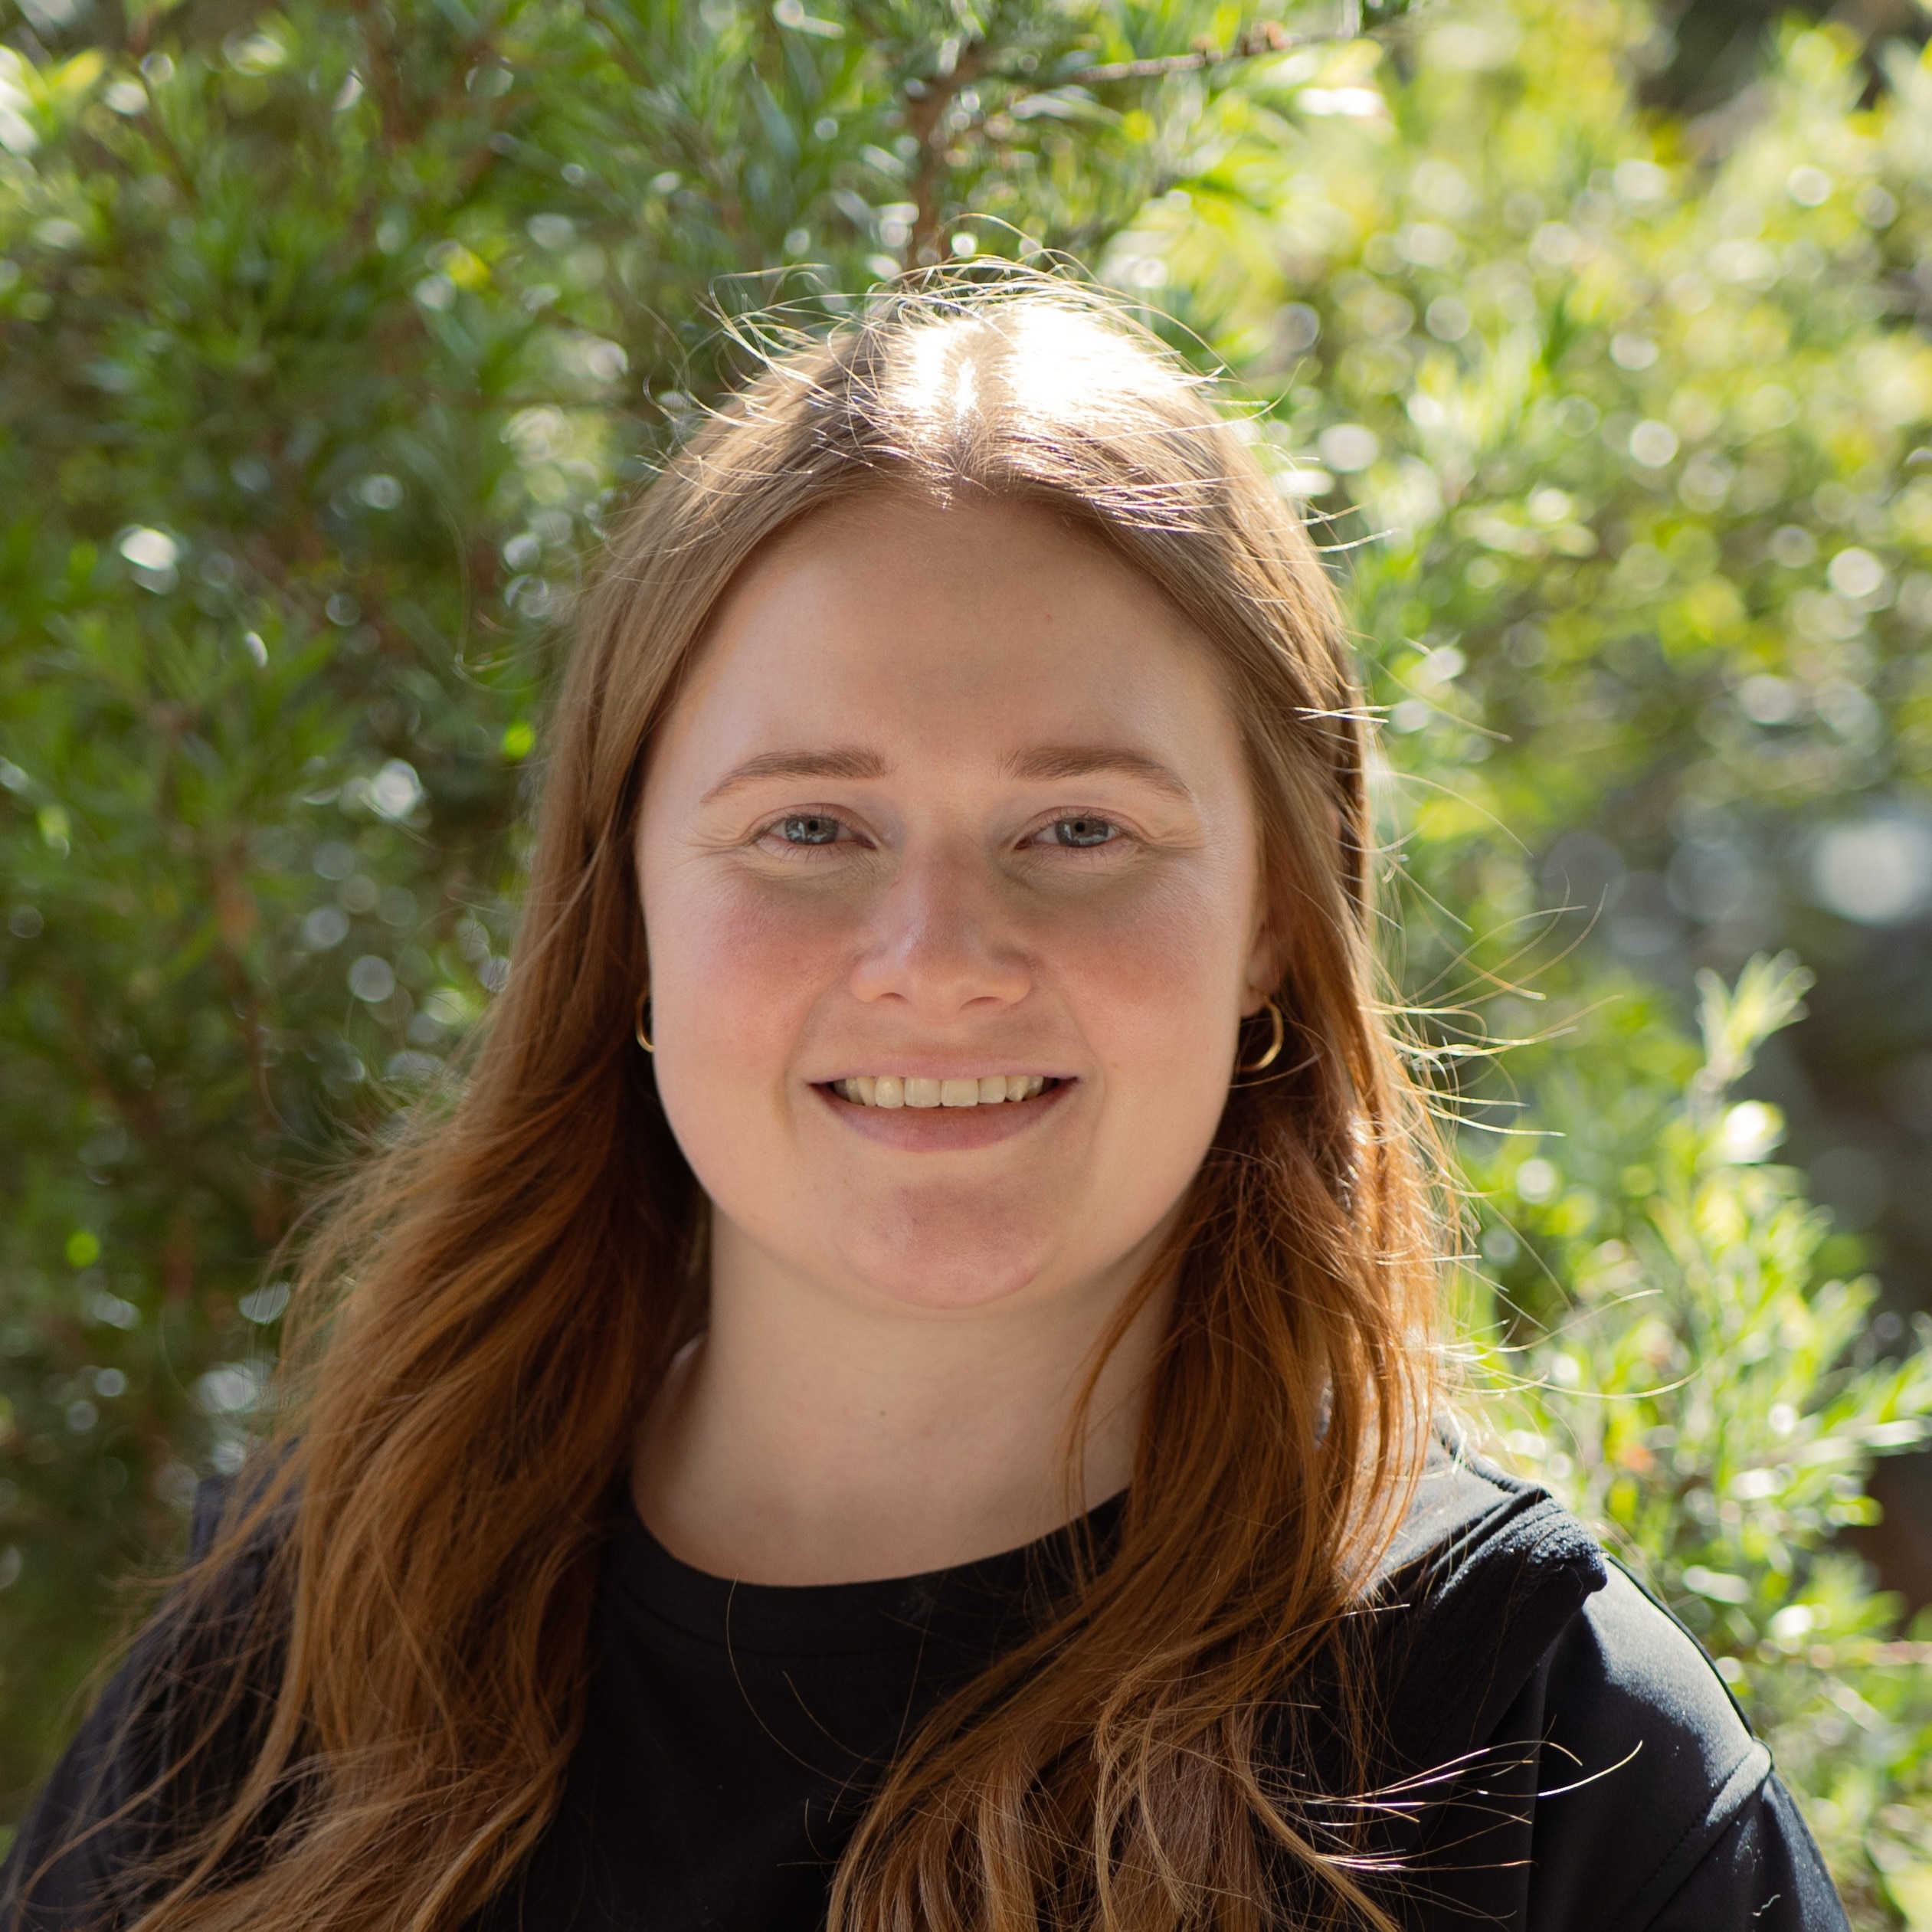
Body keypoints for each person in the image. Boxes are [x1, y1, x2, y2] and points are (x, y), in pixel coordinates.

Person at [2, 278, 1847, 1932]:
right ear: (623, 907)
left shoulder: (1543, 1745)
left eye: (1080, 830)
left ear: (1279, 920)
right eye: (811, 826)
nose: (939, 954)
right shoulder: (291, 1659)